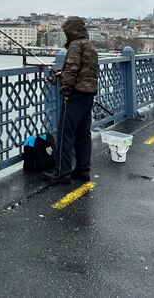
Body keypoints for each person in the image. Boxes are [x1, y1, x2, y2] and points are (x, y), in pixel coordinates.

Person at [43, 16, 99, 185]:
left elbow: (74, 69)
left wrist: (66, 91)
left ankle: (62, 173)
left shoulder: (75, 45)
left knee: (65, 135)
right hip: (88, 94)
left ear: (71, 31)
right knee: (83, 133)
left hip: (75, 95)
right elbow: (84, 69)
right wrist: (64, 73)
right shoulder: (89, 45)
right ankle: (83, 169)